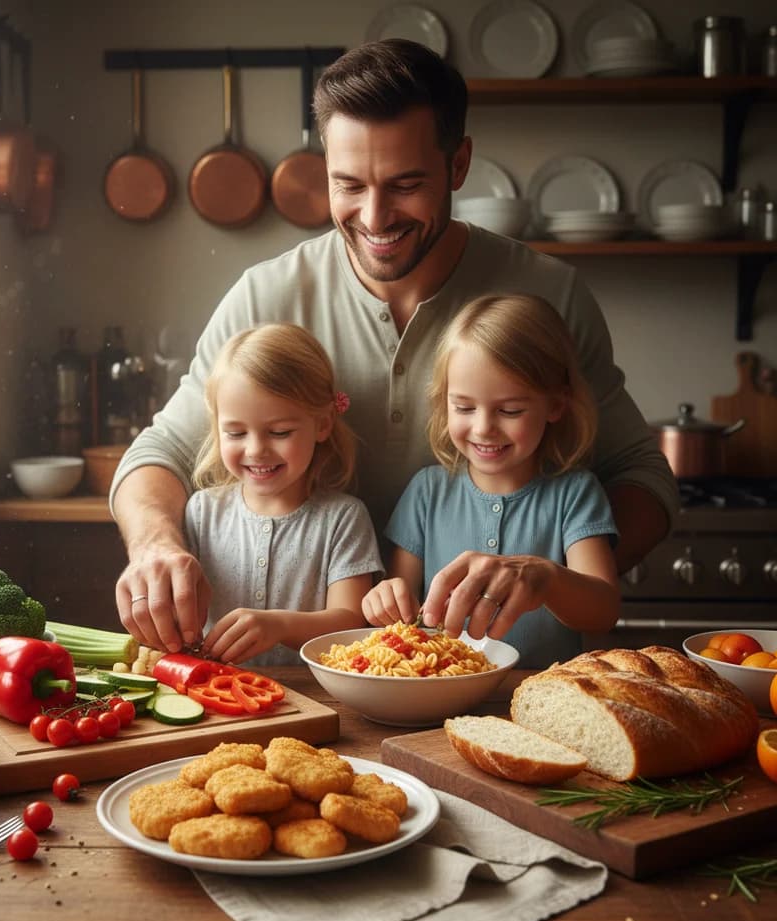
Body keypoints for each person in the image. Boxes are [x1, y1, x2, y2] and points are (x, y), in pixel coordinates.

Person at [111, 38, 677, 654]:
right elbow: (161, 452)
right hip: (316, 673)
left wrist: (548, 574)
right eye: (348, 185)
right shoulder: (265, 294)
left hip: (496, 663)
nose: (375, 217)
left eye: (405, 185)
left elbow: (642, 478)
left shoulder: (549, 294)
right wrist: (156, 545)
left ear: (458, 165)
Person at [362, 294, 620, 668]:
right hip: (442, 694)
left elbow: (602, 611)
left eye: (510, 410)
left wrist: (546, 579)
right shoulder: (427, 491)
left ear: (555, 405)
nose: (484, 428)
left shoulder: (575, 493)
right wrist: (384, 597)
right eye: (464, 408)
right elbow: (402, 606)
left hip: (544, 695)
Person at [176, 322, 382, 667]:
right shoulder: (202, 512)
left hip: (316, 699)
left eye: (279, 432)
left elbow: (350, 623)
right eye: (236, 432)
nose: (256, 450)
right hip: (216, 694)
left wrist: (279, 625)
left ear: (323, 424)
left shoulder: (343, 518)